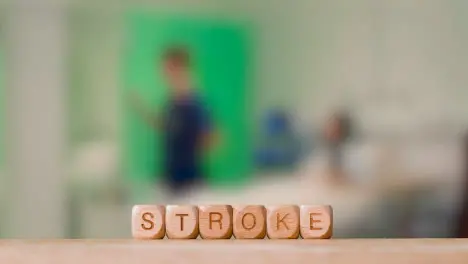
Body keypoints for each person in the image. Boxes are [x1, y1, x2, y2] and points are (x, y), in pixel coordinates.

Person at [131, 46, 216, 196]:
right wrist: (142, 110)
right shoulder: (171, 102)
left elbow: (212, 139)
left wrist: (199, 141)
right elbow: (165, 126)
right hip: (170, 177)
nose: (164, 74)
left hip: (190, 182)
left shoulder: (196, 102)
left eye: (168, 69)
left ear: (181, 68)